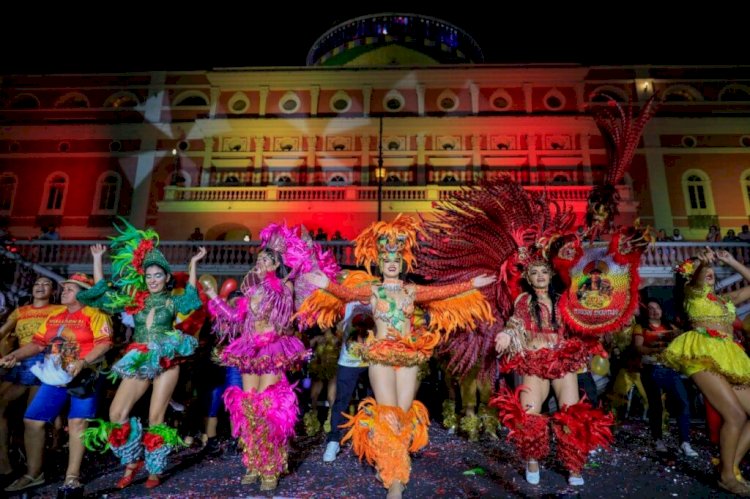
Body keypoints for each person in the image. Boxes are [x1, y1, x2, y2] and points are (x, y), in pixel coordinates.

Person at [301, 215, 495, 498]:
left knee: (403, 418)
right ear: (380, 262)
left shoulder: (412, 291)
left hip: (409, 357)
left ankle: (393, 464)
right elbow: (345, 293)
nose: (391, 261)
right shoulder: (373, 290)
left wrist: (472, 283)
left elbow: (442, 293)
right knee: (388, 416)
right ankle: (396, 480)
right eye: (386, 257)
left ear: (402, 262)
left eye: (396, 257)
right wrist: (326, 284)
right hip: (380, 356)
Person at [80, 220, 206, 490]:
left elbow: (193, 299)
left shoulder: (173, 300)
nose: (152, 280)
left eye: (157, 275)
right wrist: (98, 260)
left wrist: (194, 265)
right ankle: (131, 460)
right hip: (139, 356)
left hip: (167, 358)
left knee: (156, 417)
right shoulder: (135, 301)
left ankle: (155, 468)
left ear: (166, 277)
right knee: (117, 413)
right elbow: (100, 295)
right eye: (148, 276)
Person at [204, 225, 311, 491]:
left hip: (272, 349)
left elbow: (284, 320)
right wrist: (212, 297)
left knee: (267, 408)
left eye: (266, 260)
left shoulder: (284, 288)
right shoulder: (250, 292)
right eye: (259, 259)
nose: (260, 263)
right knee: (249, 408)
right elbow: (233, 319)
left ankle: (271, 466)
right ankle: (253, 461)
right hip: (249, 351)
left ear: (276, 264)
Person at [493, 255, 612, 487]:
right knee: (529, 413)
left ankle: (573, 465)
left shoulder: (563, 301)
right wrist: (506, 334)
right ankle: (532, 460)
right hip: (534, 361)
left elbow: (579, 322)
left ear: (551, 275)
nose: (540, 276)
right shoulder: (524, 300)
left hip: (561, 360)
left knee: (572, 412)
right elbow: (516, 322)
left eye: (544, 272)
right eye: (535, 272)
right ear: (528, 277)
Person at [1, 273, 113, 495]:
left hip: (86, 376)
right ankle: (33, 474)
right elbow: (38, 343)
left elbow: (105, 344)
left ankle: (72, 477)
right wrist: (16, 355)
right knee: (33, 420)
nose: (64, 292)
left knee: (77, 422)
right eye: (64, 288)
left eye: (70, 289)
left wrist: (83, 362)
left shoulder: (96, 313)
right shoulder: (55, 315)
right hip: (57, 376)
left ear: (84, 294)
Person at [664, 248, 750, 495]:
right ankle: (726, 477)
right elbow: (698, 280)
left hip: (729, 358)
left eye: (712, 271)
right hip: (701, 355)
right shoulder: (692, 295)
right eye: (705, 271)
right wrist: (700, 265)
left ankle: (729, 467)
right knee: (734, 415)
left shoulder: (725, 300)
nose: (709, 273)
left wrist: (732, 261)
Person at [0, 277, 64, 482]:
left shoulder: (58, 310)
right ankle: (4, 464)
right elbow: (3, 332)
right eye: (37, 284)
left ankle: (34, 468)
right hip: (18, 360)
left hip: (43, 362)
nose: (40, 287)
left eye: (46, 284)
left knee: (34, 418)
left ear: (53, 290)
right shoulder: (21, 311)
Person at [634, 299, 698, 457]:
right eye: (650, 308)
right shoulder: (640, 327)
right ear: (646, 312)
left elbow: (684, 341)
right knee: (656, 406)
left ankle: (685, 442)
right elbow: (638, 347)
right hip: (651, 369)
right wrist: (654, 347)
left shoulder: (671, 326)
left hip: (670, 369)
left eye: (657, 307)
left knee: (683, 402)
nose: (655, 311)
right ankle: (658, 440)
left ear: (662, 310)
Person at [323, 302, 373, 463]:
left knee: (372, 403)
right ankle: (333, 441)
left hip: (375, 360)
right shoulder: (346, 299)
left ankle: (372, 440)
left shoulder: (379, 295)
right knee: (341, 401)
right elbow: (329, 319)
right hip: (348, 361)